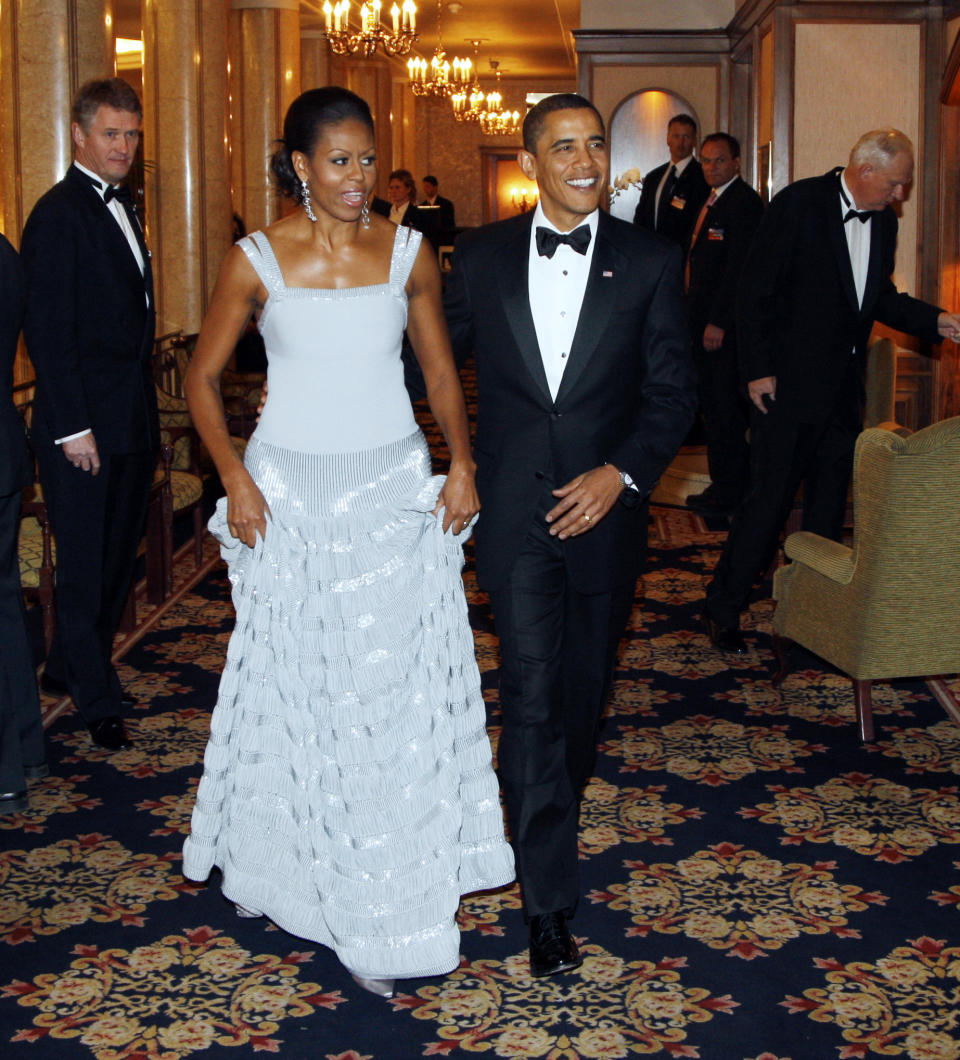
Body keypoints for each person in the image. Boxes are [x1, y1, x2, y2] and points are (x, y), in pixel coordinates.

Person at [181, 87, 514, 1000]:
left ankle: (384, 898)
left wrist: (462, 462)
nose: (358, 178)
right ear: (299, 165)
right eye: (339, 161)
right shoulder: (254, 260)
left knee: (385, 693)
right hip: (286, 492)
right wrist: (235, 480)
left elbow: (441, 369)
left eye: (368, 159)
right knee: (298, 686)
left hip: (386, 491)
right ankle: (280, 868)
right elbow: (203, 380)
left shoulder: (409, 252)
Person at [443, 93, 695, 978]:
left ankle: (552, 794)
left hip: (606, 522)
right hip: (512, 519)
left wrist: (621, 473)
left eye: (595, 144)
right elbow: (428, 370)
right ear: (531, 161)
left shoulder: (654, 261)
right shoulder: (477, 258)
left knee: (580, 702)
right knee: (535, 695)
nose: (585, 160)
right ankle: (547, 901)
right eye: (565, 146)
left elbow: (674, 392)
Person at [702, 128, 960, 653]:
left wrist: (938, 321)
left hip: (842, 393)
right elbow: (755, 292)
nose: (899, 195)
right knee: (768, 502)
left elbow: (877, 298)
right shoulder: (799, 204)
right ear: (865, 171)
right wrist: (756, 370)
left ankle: (809, 617)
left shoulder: (882, 221)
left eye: (903, 186)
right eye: (894, 184)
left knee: (825, 509)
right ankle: (722, 606)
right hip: (785, 389)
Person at [20, 77, 158, 751]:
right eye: (111, 134)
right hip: (82, 427)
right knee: (83, 564)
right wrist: (74, 428)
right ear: (78, 135)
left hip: (128, 417)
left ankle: (71, 665)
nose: (124, 146)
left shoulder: (122, 206)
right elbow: (49, 332)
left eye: (131, 134)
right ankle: (95, 698)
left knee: (113, 561)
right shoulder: (56, 214)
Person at [683, 133, 764, 518]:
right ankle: (723, 484)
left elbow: (740, 272)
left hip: (724, 332)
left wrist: (718, 321)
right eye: (705, 161)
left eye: (719, 161)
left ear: (736, 162)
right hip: (701, 324)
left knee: (725, 413)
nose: (711, 167)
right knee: (714, 411)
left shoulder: (744, 204)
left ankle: (730, 493)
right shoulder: (713, 198)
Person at [0, 233, 47, 815]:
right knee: (7, 604)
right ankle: (26, 751)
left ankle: (8, 769)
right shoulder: (5, 250)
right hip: (6, 451)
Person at [633, 113, 709, 248]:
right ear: (668, 139)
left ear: (695, 141)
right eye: (676, 136)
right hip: (652, 254)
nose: (681, 142)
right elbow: (641, 219)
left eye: (686, 137)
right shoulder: (653, 177)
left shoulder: (703, 177)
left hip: (684, 257)